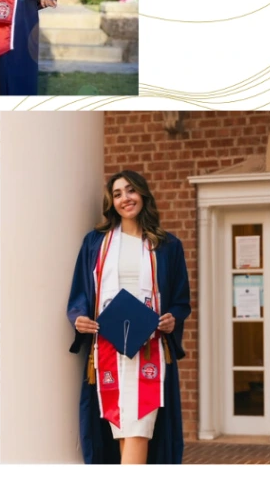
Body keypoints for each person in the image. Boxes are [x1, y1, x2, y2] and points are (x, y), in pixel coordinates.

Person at [67, 170, 191, 464]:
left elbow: (180, 301)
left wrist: (173, 317)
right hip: (109, 349)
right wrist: (79, 317)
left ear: (143, 195)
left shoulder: (167, 245)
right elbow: (81, 293)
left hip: (149, 349)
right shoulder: (96, 244)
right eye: (118, 194)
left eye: (131, 191)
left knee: (138, 428)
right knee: (121, 429)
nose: (125, 198)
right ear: (112, 203)